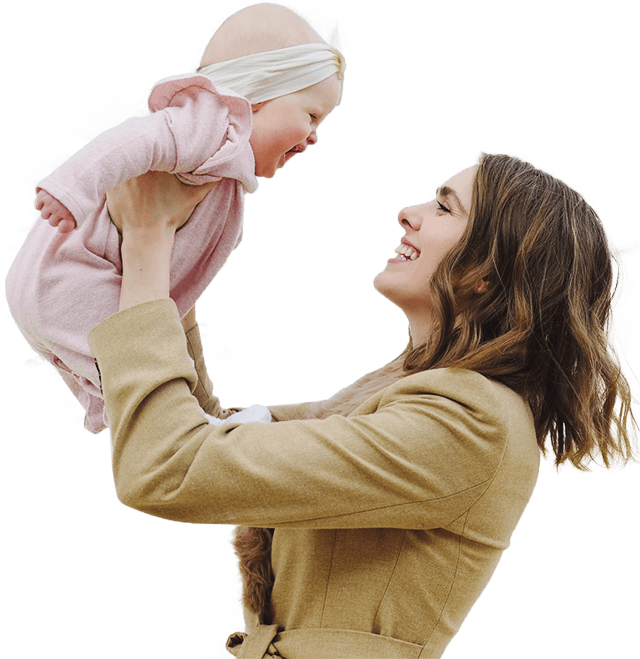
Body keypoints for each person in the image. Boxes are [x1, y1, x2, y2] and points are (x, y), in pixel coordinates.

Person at [83, 150, 639, 658]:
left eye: (445, 207)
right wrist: (172, 262)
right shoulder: (412, 394)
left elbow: (168, 466)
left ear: (487, 274)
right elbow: (213, 434)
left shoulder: (470, 420)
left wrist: (149, 238)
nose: (408, 213)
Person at [4, 3, 345, 434]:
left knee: (142, 377)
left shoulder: (223, 166)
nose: (314, 138)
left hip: (69, 288)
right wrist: (69, 190)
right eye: (311, 116)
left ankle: (161, 420)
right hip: (71, 280)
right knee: (144, 380)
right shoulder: (209, 125)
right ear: (258, 95)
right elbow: (134, 140)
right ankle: (176, 426)